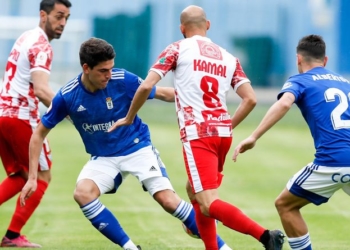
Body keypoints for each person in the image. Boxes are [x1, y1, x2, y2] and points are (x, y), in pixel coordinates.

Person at [19, 37, 232, 250]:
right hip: (103, 157)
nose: (109, 75)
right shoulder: (67, 96)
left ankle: (222, 247)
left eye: (111, 68)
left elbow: (162, 94)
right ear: (86, 68)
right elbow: (38, 134)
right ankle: (131, 248)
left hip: (137, 147)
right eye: (103, 71)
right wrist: (32, 178)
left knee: (167, 201)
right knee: (82, 193)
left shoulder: (122, 80)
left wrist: (199, 101)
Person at [108, 5, 285, 250]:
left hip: (198, 134)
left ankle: (265, 236)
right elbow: (251, 99)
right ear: (208, 25)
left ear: (182, 28)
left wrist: (128, 117)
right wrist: (227, 125)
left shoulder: (177, 49)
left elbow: (145, 86)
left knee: (207, 202)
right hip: (223, 134)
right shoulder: (227, 56)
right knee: (194, 191)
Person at [233, 34, 350, 250]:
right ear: (325, 60)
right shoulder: (345, 82)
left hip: (331, 161)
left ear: (298, 59)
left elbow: (285, 104)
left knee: (285, 205)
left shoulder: (299, 80)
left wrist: (253, 136)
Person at [0, 0, 72, 248]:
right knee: (42, 176)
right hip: (21, 117)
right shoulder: (42, 45)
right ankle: (12, 236)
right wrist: (72, 112)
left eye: (66, 18)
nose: (62, 23)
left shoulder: (27, 37)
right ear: (43, 15)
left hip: (3, 115)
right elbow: (41, 90)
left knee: (21, 176)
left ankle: (11, 235)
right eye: (59, 16)